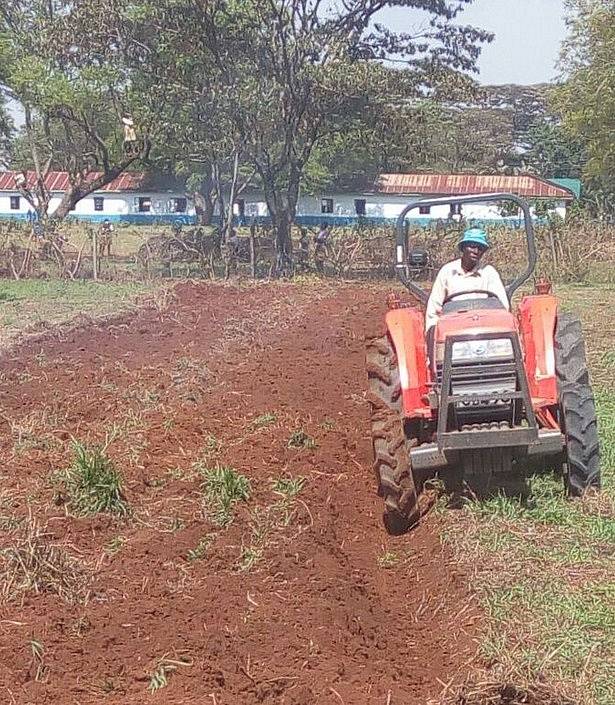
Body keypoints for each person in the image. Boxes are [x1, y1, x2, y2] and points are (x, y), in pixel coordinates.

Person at [425, 227, 509, 336]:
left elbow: (502, 306)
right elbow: (434, 307)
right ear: (463, 248)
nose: (476, 251)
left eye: (480, 248)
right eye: (472, 246)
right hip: (453, 327)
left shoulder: (489, 272)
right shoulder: (448, 271)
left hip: (483, 326)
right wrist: (432, 331)